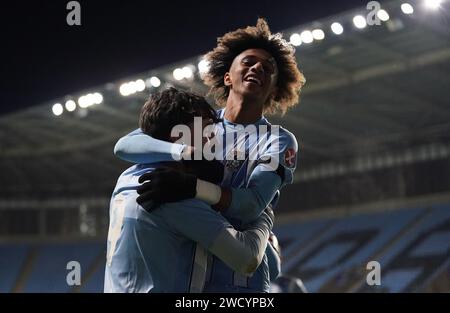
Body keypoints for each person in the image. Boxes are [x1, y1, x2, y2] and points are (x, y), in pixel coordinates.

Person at [114, 18, 306, 292]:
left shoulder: (278, 140)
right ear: (228, 76)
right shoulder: (200, 123)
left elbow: (252, 205)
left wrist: (193, 187)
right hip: (193, 275)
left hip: (241, 283)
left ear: (273, 90)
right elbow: (126, 145)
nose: (257, 68)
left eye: (268, 69)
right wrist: (184, 151)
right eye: (249, 61)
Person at [104, 88, 274, 293]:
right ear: (178, 135)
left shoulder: (127, 178)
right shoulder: (171, 197)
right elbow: (247, 259)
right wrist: (264, 213)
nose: (215, 140)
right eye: (208, 130)